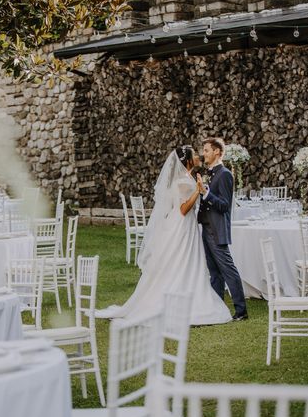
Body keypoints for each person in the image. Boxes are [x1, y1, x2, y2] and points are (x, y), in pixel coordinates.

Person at [96, 146, 231, 325]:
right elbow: (183, 209)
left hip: (184, 225)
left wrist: (198, 188)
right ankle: (178, 300)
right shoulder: (183, 181)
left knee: (184, 262)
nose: (198, 156)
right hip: (182, 225)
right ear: (188, 160)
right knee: (182, 261)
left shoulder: (185, 177)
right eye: (194, 154)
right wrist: (198, 191)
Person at [198, 137, 248, 321]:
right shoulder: (209, 173)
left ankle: (241, 311)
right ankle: (216, 308)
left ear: (217, 152)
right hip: (206, 227)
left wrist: (206, 193)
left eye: (207, 150)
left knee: (228, 270)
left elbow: (225, 205)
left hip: (217, 229)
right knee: (214, 272)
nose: (204, 154)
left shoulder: (225, 174)